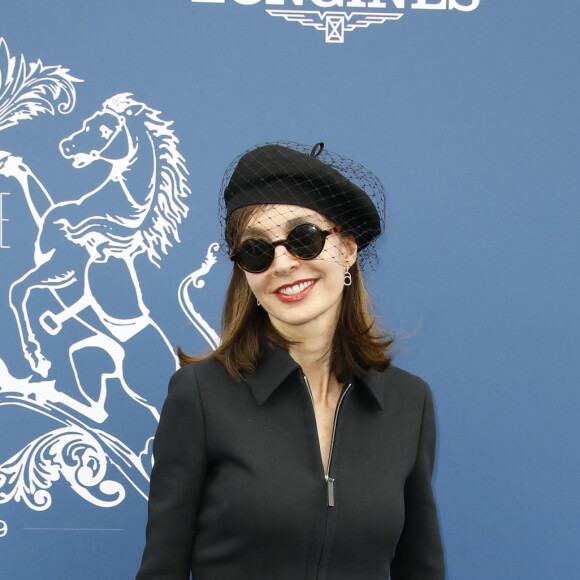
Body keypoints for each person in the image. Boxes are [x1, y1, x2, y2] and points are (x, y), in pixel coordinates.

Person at [135, 142, 445, 579]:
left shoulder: (410, 403)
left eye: (305, 238)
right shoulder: (200, 396)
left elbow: (421, 569)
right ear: (245, 271)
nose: (282, 263)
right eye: (256, 250)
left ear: (348, 250)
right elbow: (161, 570)